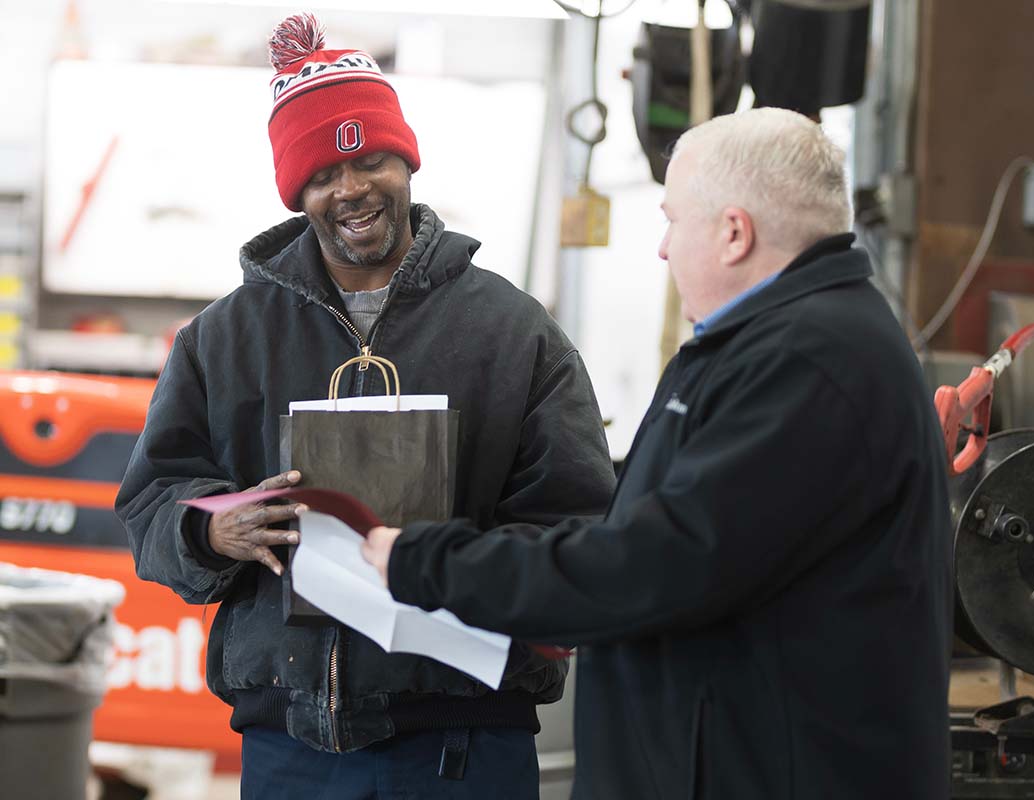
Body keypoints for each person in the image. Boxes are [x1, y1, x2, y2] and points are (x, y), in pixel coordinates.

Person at [363, 107, 954, 799]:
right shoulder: (767, 345)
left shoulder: (809, 362)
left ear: (734, 232)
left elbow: (657, 562)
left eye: (674, 221)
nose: (664, 249)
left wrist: (428, 562)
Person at [116, 13, 615, 799]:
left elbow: (577, 524)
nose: (350, 189)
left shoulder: (514, 334)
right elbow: (150, 504)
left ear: (406, 161)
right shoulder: (222, 340)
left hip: (465, 737)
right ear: (297, 191)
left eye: (371, 159)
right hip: (290, 748)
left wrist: (453, 568)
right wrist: (208, 529)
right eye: (323, 174)